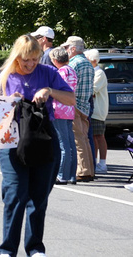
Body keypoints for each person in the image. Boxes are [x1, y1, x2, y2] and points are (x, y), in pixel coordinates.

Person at [0, 34, 75, 257]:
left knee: (39, 197)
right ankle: (7, 249)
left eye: (35, 59)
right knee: (15, 195)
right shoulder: (4, 77)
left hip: (43, 137)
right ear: (17, 56)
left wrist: (50, 91)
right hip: (11, 140)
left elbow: (71, 99)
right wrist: (7, 102)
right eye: (26, 60)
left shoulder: (48, 72)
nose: (30, 64)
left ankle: (35, 248)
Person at [62, 36, 95, 182]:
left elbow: (69, 86)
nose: (66, 51)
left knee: (78, 139)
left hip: (74, 105)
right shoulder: (88, 63)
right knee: (85, 139)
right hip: (85, 105)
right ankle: (89, 170)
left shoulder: (73, 64)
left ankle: (82, 171)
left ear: (73, 49)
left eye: (67, 48)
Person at [49, 47, 78, 185]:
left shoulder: (60, 72)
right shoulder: (72, 70)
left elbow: (56, 90)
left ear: (55, 60)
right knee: (71, 143)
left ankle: (61, 175)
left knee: (63, 144)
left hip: (59, 109)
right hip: (69, 109)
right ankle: (72, 175)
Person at [85, 49, 109, 174]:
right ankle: (94, 161)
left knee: (98, 136)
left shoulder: (99, 73)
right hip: (92, 109)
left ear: (93, 61)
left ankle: (102, 163)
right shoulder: (93, 72)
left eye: (87, 60)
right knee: (93, 136)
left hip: (98, 110)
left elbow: (92, 90)